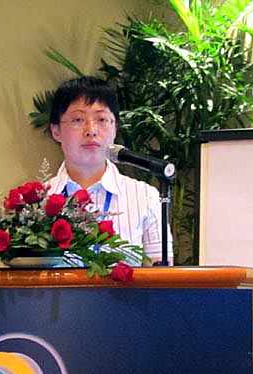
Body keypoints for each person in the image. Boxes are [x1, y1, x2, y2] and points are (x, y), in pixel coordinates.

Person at [46, 76, 172, 265]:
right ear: (56, 131)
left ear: (115, 129)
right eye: (78, 119)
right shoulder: (36, 203)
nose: (91, 130)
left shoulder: (146, 197)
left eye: (101, 119)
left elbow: (161, 275)